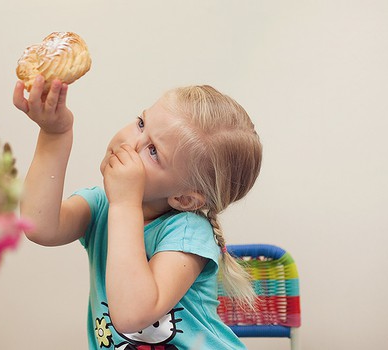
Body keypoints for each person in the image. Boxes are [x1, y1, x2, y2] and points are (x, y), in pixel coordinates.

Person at [13, 75, 262, 349]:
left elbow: (133, 314)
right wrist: (54, 135)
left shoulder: (188, 233)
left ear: (184, 199)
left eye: (153, 151)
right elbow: (38, 225)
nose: (129, 143)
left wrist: (125, 204)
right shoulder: (102, 206)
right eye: (141, 123)